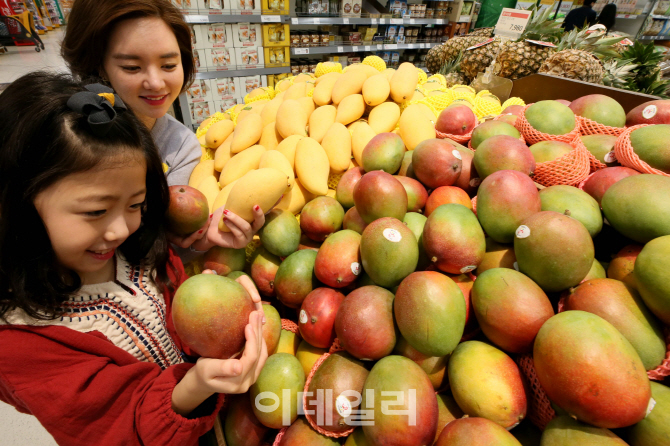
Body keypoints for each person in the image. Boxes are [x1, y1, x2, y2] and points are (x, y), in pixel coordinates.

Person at [0, 72, 268, 446]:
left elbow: (175, 313)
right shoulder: (21, 343)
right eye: (95, 211)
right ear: (21, 207)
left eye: (135, 205)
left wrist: (212, 316)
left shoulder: (138, 252)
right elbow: (106, 426)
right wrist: (194, 386)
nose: (119, 230)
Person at [61, 0, 265, 252]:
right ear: (99, 65)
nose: (156, 83)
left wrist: (203, 242)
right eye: (132, 67)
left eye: (169, 65)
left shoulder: (180, 145)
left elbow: (176, 245)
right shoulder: (66, 130)